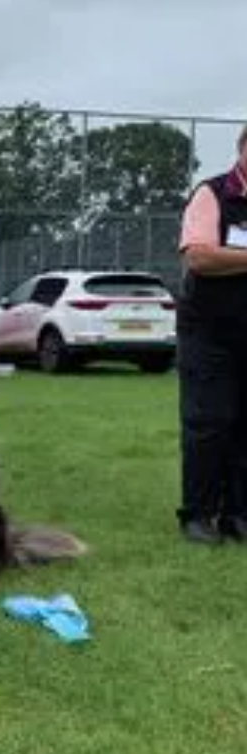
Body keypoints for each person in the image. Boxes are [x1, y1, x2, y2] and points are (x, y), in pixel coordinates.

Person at [176, 123, 247, 544]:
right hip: (209, 334)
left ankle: (239, 515)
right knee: (209, 423)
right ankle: (199, 515)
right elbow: (200, 257)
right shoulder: (212, 193)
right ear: (242, 149)